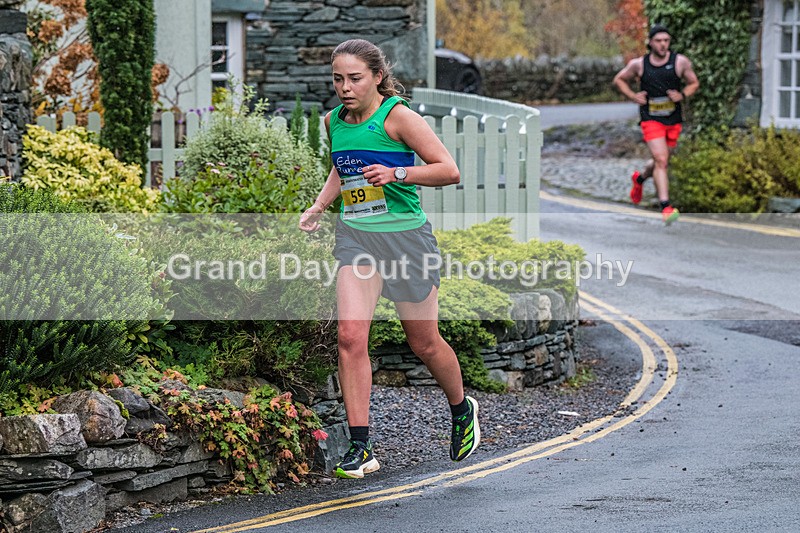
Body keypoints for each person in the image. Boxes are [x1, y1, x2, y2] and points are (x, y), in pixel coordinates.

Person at [299, 39, 480, 479]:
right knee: (350, 337)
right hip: (357, 240)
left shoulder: (398, 117)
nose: (345, 87)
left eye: (355, 79)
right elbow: (343, 168)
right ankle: (361, 446)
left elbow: (448, 169)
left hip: (407, 242)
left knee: (424, 342)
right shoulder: (333, 122)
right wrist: (321, 205)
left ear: (377, 76)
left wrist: (397, 172)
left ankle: (461, 409)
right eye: (338, 79)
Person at [613, 24, 699, 225]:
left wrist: (683, 94)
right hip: (651, 119)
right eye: (659, 41)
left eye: (666, 41)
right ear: (650, 42)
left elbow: (694, 82)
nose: (663, 44)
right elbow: (619, 80)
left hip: (673, 119)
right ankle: (666, 207)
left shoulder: (680, 62)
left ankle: (640, 179)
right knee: (661, 159)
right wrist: (634, 96)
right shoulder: (639, 64)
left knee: (662, 160)